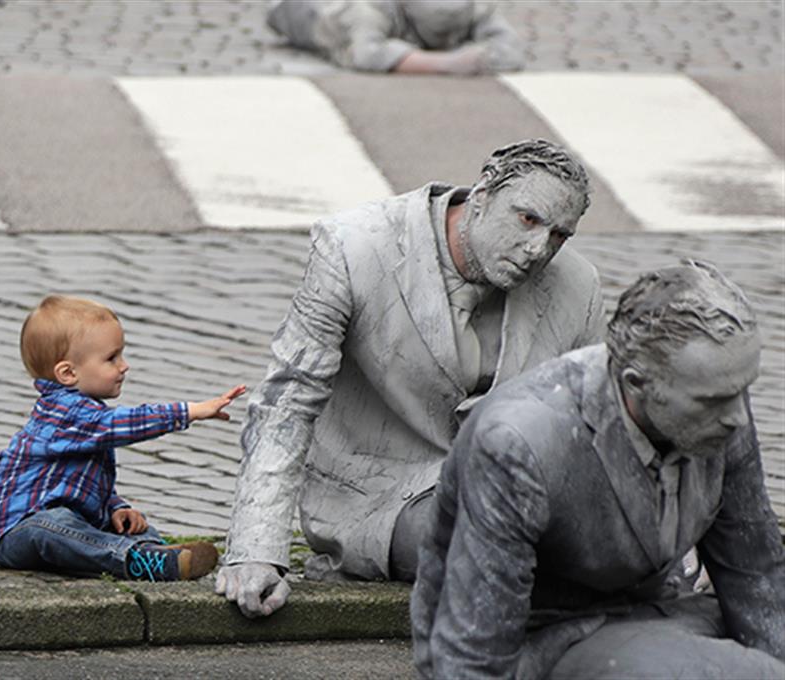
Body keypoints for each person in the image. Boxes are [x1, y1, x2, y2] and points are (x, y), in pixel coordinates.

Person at [216, 139, 605, 618]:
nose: (537, 249)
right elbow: (287, 399)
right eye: (527, 219)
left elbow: (597, 427)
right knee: (512, 542)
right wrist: (256, 548)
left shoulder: (577, 286)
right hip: (381, 497)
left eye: (559, 236)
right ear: (482, 195)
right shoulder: (355, 247)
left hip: (518, 492)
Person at [412, 261, 785, 679]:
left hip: (659, 614)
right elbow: (472, 648)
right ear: (636, 383)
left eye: (743, 391)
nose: (737, 417)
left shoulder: (718, 398)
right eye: (715, 400)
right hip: (548, 639)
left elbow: (755, 573)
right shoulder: (519, 443)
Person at [0, 295, 245, 582]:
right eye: (111, 358)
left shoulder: (87, 413)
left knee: (131, 525)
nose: (124, 366)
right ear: (68, 372)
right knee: (54, 525)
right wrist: (190, 411)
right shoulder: (66, 414)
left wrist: (115, 507)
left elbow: (79, 485)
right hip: (16, 534)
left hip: (71, 522)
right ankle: (136, 559)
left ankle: (154, 553)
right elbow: (126, 423)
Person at [266, 0, 524, 75]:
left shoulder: (467, 8)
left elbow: (511, 51)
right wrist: (444, 63)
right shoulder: (369, 10)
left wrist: (480, 58)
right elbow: (367, 54)